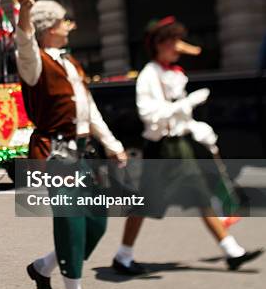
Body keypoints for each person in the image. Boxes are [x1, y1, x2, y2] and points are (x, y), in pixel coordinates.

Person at [111, 17, 264, 275]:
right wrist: (186, 104)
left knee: (201, 195)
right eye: (171, 42)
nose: (177, 47)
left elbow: (179, 117)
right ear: (158, 44)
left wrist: (198, 129)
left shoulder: (172, 73)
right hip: (161, 148)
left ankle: (232, 251)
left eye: (177, 41)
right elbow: (150, 115)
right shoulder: (149, 74)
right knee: (146, 203)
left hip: (179, 145)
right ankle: (123, 255)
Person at [16, 0, 126, 289]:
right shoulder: (35, 62)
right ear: (49, 26)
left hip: (82, 151)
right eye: (65, 20)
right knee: (72, 221)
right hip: (54, 151)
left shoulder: (70, 61)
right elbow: (24, 41)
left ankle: (43, 267)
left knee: (97, 222)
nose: (70, 25)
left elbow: (88, 110)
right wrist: (25, 10)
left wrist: (113, 144)